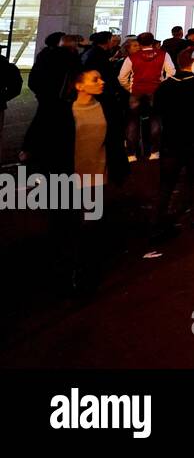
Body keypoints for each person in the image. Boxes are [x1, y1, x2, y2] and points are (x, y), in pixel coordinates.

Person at [49, 69, 129, 294]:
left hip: (96, 175)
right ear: (79, 86)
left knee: (91, 226)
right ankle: (65, 270)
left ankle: (84, 272)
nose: (102, 82)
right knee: (66, 225)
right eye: (95, 79)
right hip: (67, 176)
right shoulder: (63, 110)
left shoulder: (107, 107)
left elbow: (114, 139)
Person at [151, 51, 194, 239]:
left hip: (171, 140)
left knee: (166, 183)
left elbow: (157, 113)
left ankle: (158, 220)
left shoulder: (165, 86)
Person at [117, 32, 175, 161]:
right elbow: (171, 73)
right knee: (155, 120)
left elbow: (122, 77)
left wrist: (129, 87)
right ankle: (154, 152)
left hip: (136, 91)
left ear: (140, 42)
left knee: (132, 121)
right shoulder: (163, 55)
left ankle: (131, 154)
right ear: (153, 41)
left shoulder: (132, 57)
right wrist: (161, 85)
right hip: (155, 91)